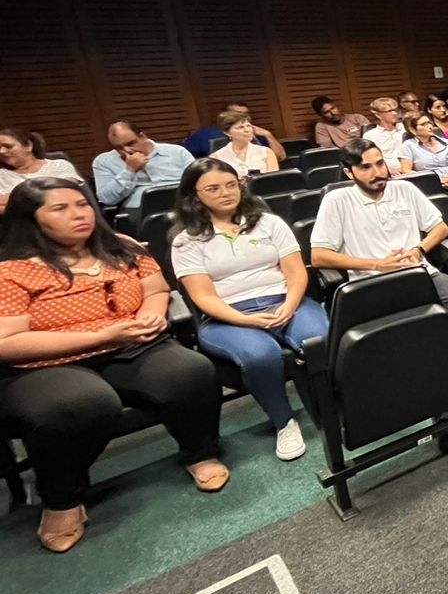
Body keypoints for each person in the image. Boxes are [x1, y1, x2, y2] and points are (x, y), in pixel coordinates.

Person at [0, 178, 228, 552]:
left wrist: (151, 314)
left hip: (129, 345)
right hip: (44, 364)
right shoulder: (12, 270)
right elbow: (6, 342)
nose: (78, 214)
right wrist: (101, 336)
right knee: (81, 402)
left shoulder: (122, 247)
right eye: (60, 209)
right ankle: (62, 499)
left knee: (190, 371)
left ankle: (200, 452)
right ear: (31, 219)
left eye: (82, 205)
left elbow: (157, 291)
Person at [170, 159, 327, 461]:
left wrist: (289, 304)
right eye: (213, 188)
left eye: (231, 185)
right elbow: (202, 296)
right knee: (260, 355)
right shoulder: (186, 240)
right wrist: (244, 319)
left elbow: (296, 272)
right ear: (194, 195)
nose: (225, 193)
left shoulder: (269, 223)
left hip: (285, 301)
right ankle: (284, 421)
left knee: (317, 338)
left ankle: (330, 408)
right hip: (227, 316)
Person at [310, 138, 448, 313]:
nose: (378, 173)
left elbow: (440, 228)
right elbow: (319, 256)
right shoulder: (337, 200)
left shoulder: (405, 189)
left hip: (420, 273)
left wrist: (418, 250)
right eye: (366, 167)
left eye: (380, 164)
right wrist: (377, 265)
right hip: (371, 282)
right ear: (349, 172)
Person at [92, 121, 195, 211]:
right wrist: (129, 171)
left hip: (182, 205)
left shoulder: (177, 152)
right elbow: (106, 199)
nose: (127, 150)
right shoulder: (104, 162)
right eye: (118, 147)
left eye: (131, 143)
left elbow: (199, 181)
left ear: (142, 137)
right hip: (140, 211)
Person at [0, 128, 81, 214]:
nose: (1, 151)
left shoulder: (59, 165)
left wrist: (13, 199)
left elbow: (68, 193)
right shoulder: (1, 175)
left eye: (8, 146)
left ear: (28, 146)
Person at [182, 102, 287, 160]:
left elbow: (281, 157)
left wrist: (268, 135)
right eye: (237, 113)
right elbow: (186, 159)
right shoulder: (205, 134)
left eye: (245, 114)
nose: (242, 117)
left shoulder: (256, 132)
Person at [399, 112, 448, 195]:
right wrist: (433, 180)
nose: (430, 126)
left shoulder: (447, 143)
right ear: (412, 130)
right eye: (423, 124)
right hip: (429, 184)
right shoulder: (408, 146)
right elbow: (406, 170)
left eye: (429, 123)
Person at [212, 110, 280, 178]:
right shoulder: (216, 158)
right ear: (227, 133)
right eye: (240, 127)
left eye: (248, 126)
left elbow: (273, 180)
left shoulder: (266, 152)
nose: (247, 130)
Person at [364, 97, 406, 169]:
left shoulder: (404, 127)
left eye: (395, 110)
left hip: (409, 167)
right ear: (378, 115)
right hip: (388, 170)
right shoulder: (370, 135)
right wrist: (387, 169)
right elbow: (371, 158)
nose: (394, 113)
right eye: (389, 111)